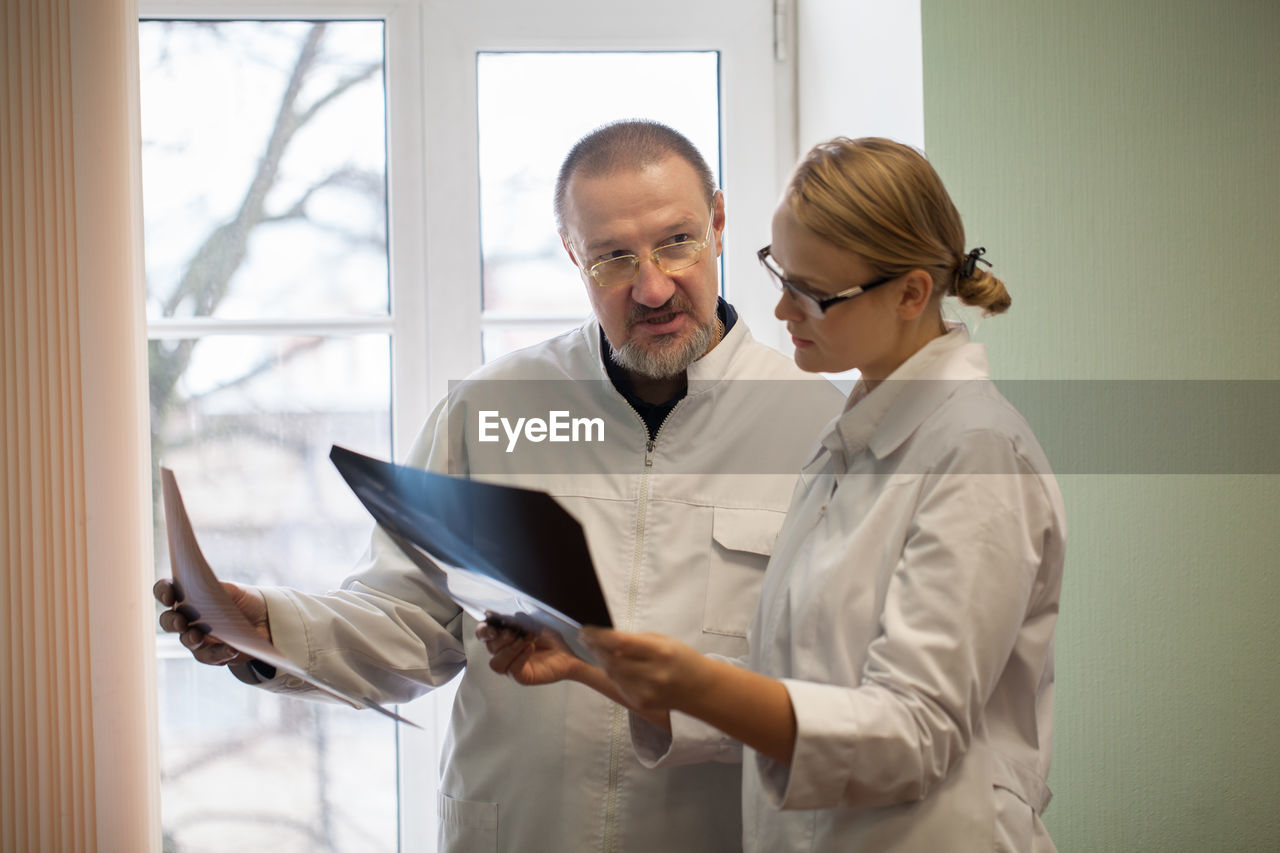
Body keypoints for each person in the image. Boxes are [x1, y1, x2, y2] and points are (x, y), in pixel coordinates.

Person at [154, 119, 843, 852]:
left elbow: (822, 697)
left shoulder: (820, 431)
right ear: (573, 256)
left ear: (720, 223)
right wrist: (264, 627)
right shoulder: (490, 408)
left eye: (677, 241)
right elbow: (409, 617)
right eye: (612, 257)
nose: (652, 286)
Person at [482, 137, 1067, 851]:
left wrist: (692, 678)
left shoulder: (975, 452)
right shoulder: (847, 443)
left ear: (913, 292)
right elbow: (790, 693)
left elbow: (913, 733)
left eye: (813, 292)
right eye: (780, 274)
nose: (782, 309)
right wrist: (590, 664)